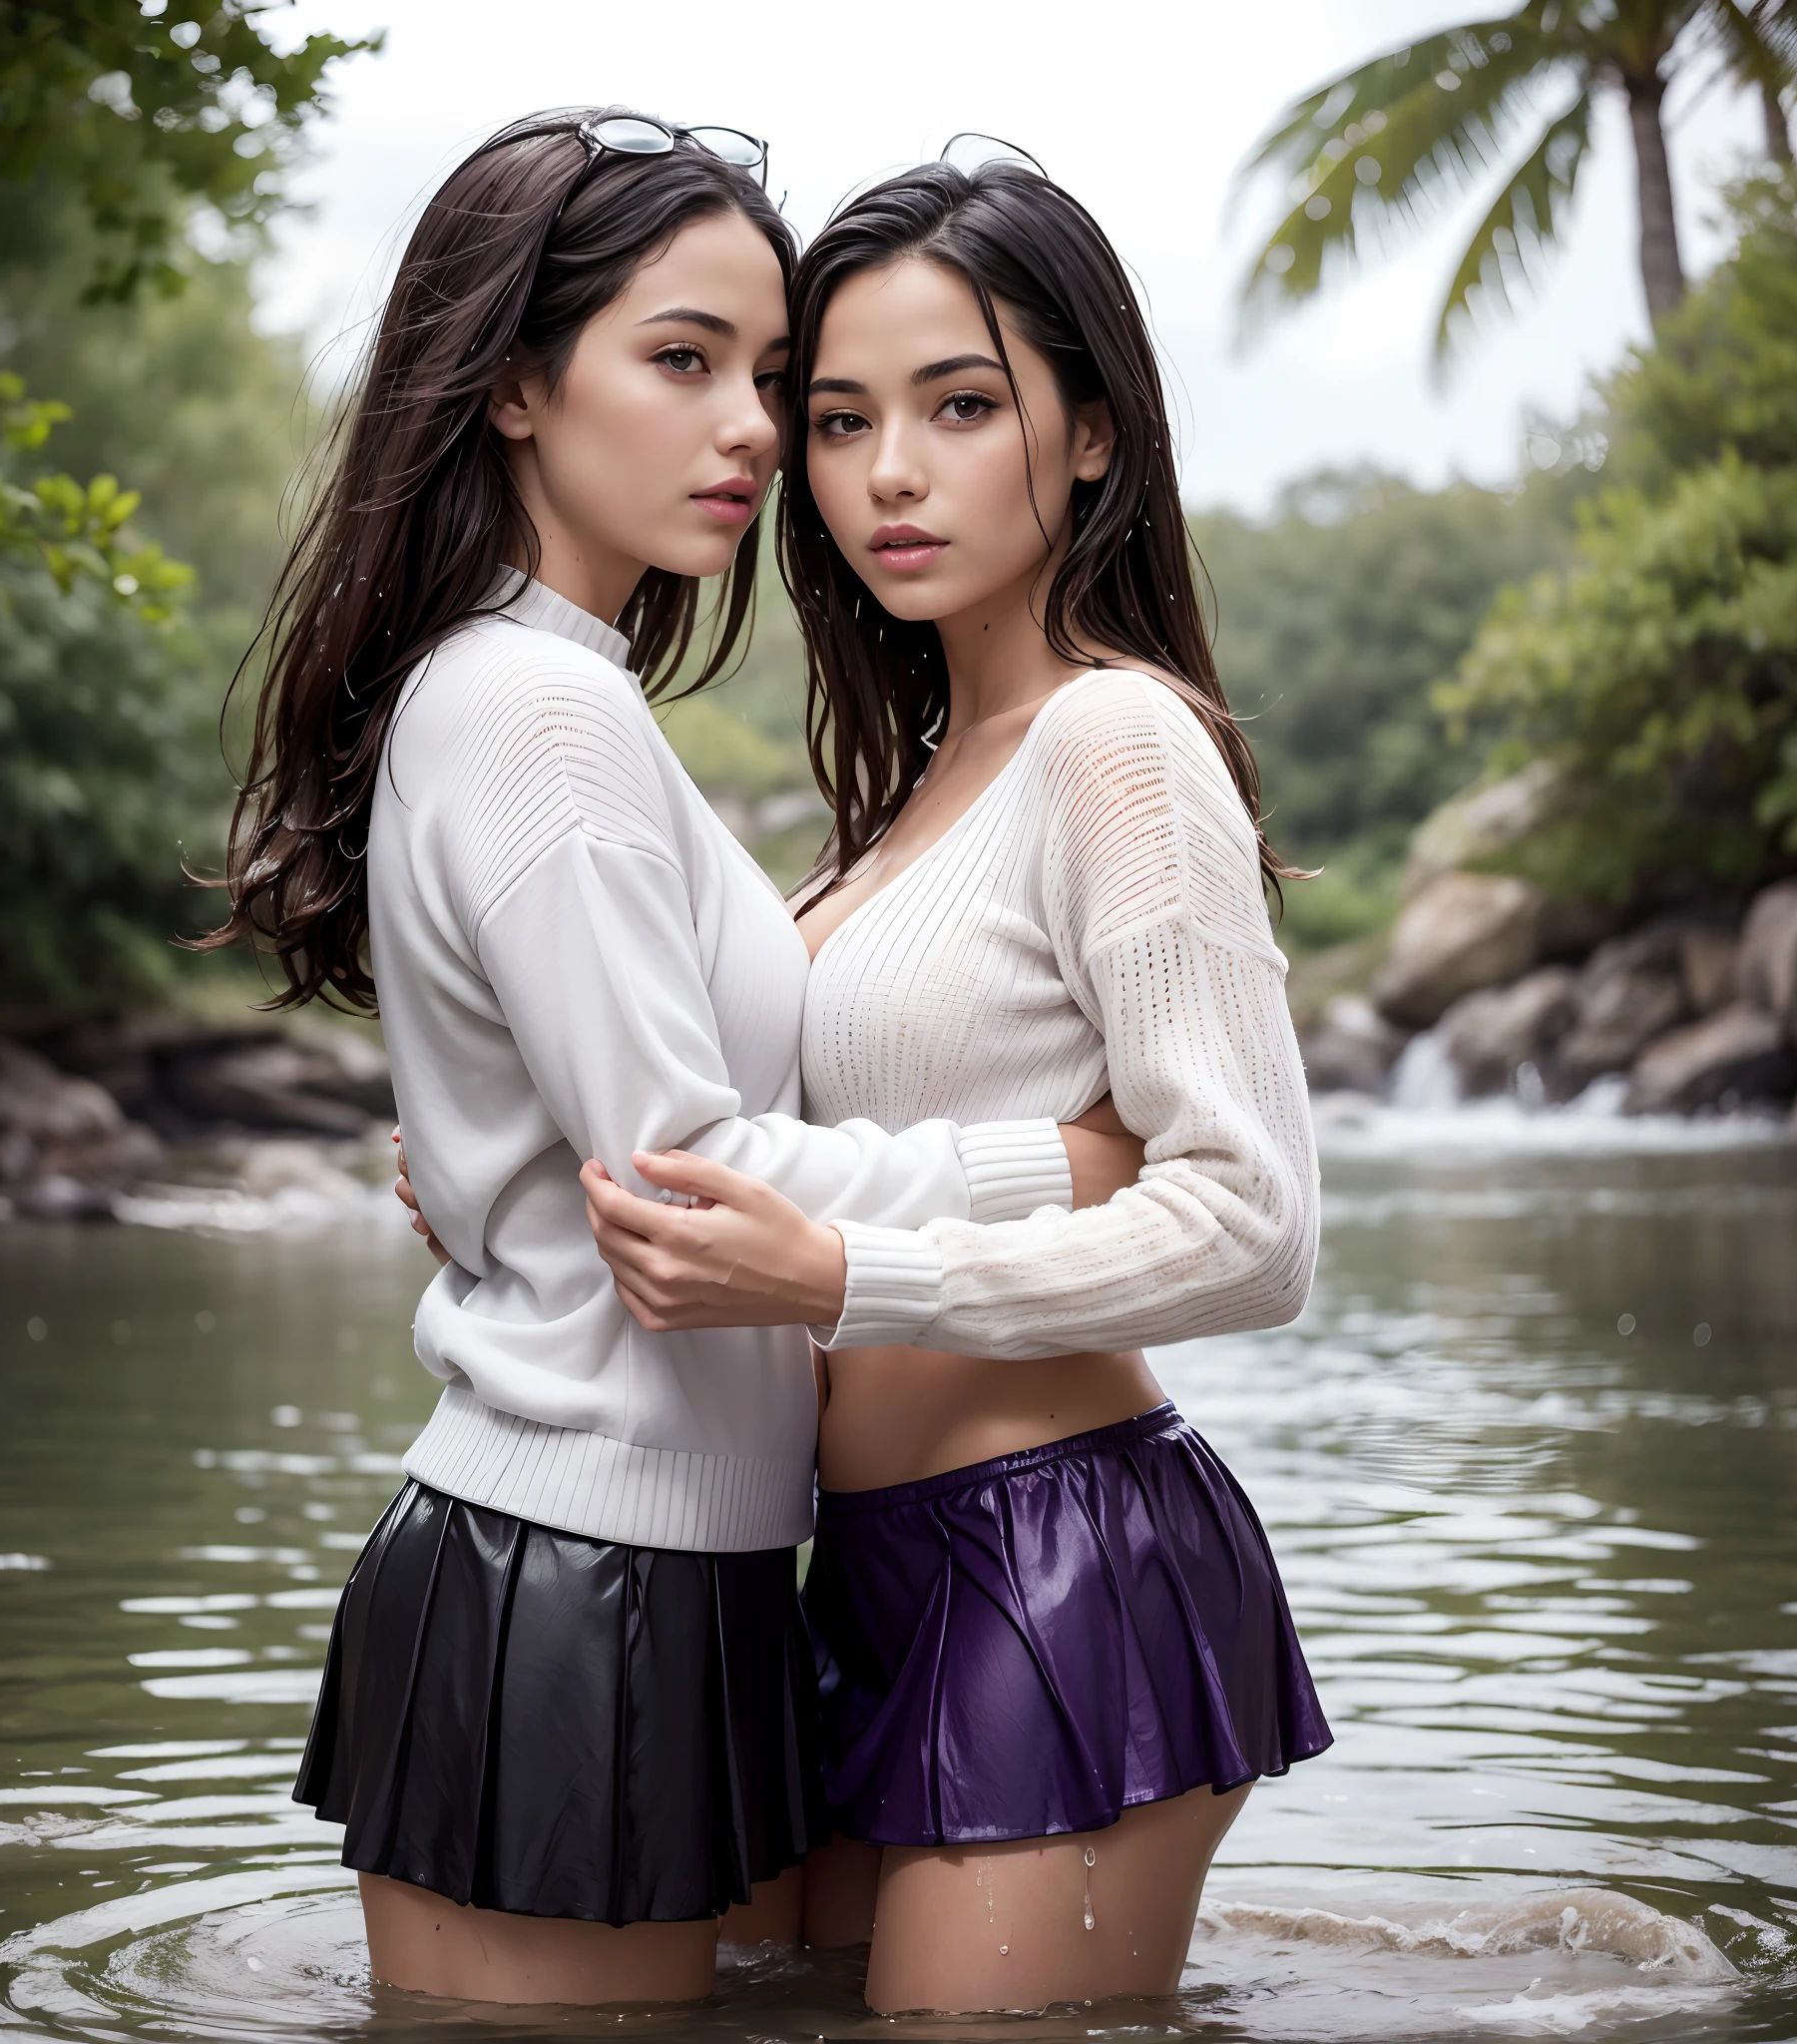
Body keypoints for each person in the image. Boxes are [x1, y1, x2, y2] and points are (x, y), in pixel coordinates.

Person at [207, 111, 1140, 2008]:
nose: (753, 433)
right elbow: (687, 1173)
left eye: (770, 379)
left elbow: (627, 1141)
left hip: (648, 1565)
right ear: (515, 386)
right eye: (683, 359)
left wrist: (502, 1174)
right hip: (576, 1567)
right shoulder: (539, 712)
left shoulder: (556, 694)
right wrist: (1061, 1163)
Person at [574, 149, 1333, 2015]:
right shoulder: (897, 808)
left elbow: (1254, 1226)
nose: (887, 472)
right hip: (853, 1560)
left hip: (1062, 1542)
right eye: (838, 420)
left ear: (1089, 435)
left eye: (961, 404)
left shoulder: (1117, 739)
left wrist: (846, 1278)